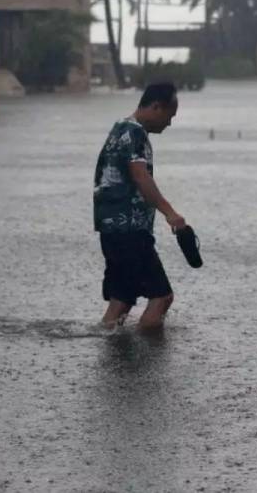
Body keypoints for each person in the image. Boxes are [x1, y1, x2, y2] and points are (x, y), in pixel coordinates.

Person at [93, 82, 187, 330]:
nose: (169, 123)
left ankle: (113, 355)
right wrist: (171, 213)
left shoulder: (119, 128)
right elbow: (140, 176)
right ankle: (148, 363)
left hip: (110, 230)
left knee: (122, 300)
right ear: (156, 107)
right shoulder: (136, 133)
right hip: (130, 231)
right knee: (162, 297)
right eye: (169, 116)